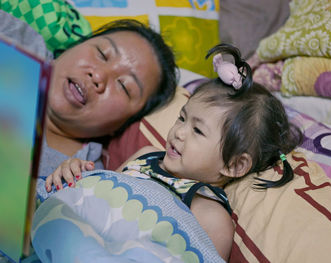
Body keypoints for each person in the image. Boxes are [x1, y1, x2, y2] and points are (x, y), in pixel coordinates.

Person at [45, 43, 303, 261]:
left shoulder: (212, 216)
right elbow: (103, 197)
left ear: (234, 166)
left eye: (198, 131)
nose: (179, 132)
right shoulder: (145, 156)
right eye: (182, 118)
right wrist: (75, 175)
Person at [34, 18, 178, 197]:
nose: (98, 76)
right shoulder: (15, 39)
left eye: (124, 86)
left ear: (121, 125)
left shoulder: (88, 184)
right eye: (102, 54)